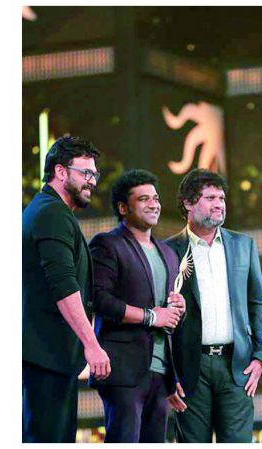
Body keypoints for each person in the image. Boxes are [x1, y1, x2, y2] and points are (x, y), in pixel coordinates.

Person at [165, 169, 262, 443]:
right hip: (190, 370)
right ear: (188, 203)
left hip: (237, 367)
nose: (219, 204)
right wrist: (168, 376)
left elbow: (258, 304)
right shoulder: (168, 250)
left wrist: (261, 357)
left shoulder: (243, 245)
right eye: (210, 197)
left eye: (221, 198)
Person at [22, 136, 111, 442]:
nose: (92, 182)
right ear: (60, 172)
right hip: (46, 358)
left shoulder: (50, 211)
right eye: (85, 173)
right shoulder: (51, 213)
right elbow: (63, 284)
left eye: (95, 175)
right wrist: (91, 343)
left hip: (49, 358)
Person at [89, 169, 187, 442]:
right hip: (123, 370)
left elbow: (167, 313)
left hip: (161, 371)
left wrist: (178, 306)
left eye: (155, 198)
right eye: (143, 199)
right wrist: (150, 316)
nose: (153, 204)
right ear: (123, 207)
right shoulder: (107, 244)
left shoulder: (168, 253)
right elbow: (99, 300)